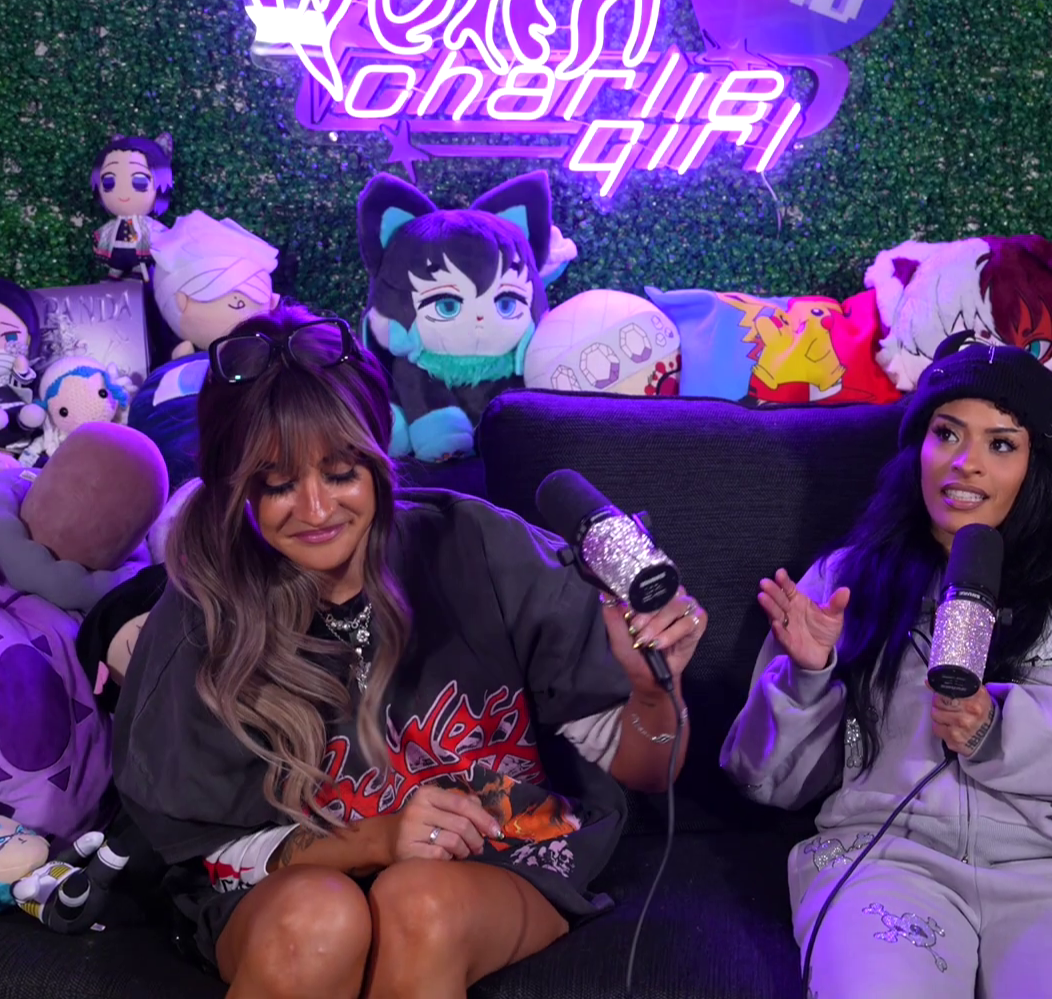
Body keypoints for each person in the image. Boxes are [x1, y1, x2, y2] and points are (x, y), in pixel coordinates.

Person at [114, 307, 708, 999]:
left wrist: (653, 693)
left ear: (376, 458)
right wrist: (374, 838)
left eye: (341, 473)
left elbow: (649, 771)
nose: (316, 509)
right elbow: (207, 855)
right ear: (235, 487)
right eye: (278, 485)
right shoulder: (202, 617)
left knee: (418, 904)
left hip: (488, 871)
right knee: (318, 920)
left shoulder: (478, 547)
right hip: (288, 890)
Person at [722, 336, 1052, 999]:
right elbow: (763, 781)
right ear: (917, 447)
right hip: (889, 862)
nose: (965, 463)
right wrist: (808, 678)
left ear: (1037, 465)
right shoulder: (847, 579)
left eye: (1000, 444)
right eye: (946, 434)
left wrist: (1007, 731)